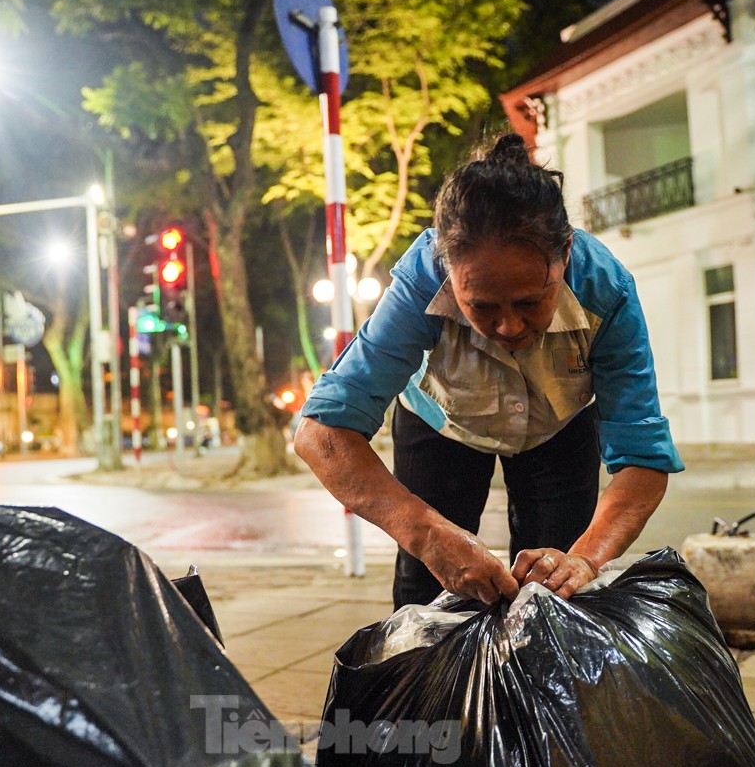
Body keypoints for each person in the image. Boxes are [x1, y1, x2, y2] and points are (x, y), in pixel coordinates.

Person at [293, 133, 684, 608]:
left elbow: (643, 458)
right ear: (446, 266)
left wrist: (583, 560)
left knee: (558, 597)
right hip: (440, 422)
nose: (509, 326)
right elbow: (321, 434)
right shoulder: (419, 282)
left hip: (559, 427)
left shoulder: (607, 291)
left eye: (530, 301)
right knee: (426, 594)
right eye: (481, 306)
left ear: (564, 252)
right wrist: (429, 536)